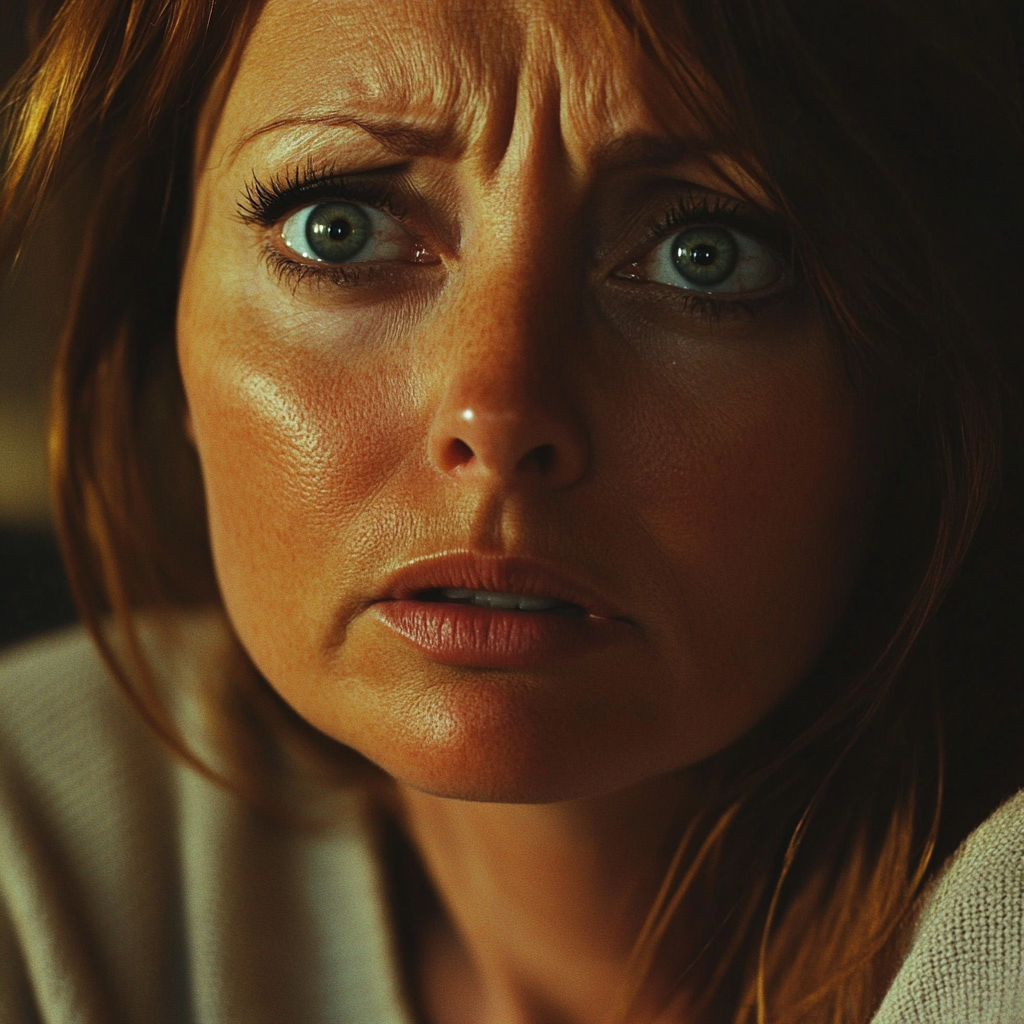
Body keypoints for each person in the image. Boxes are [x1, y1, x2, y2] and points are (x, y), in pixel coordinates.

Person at [1, 0, 1022, 1020]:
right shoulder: (41, 848)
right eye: (340, 227)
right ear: (166, 322)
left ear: (917, 379)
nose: (497, 414)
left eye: (704, 253)